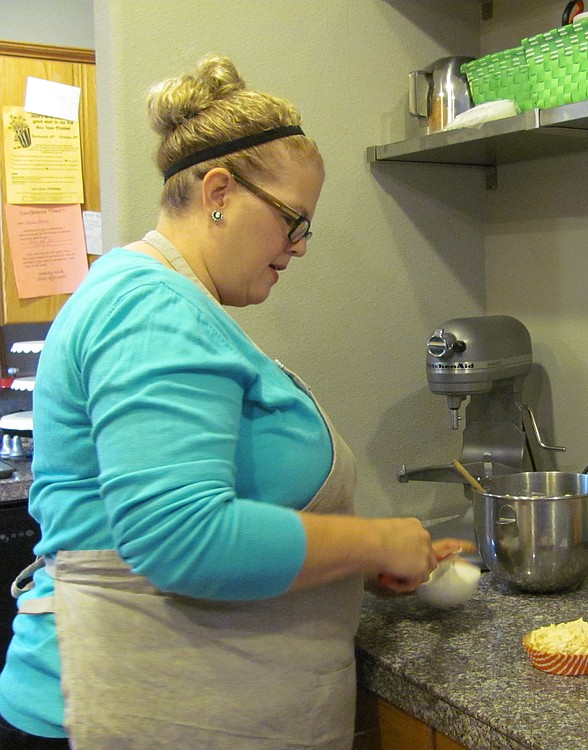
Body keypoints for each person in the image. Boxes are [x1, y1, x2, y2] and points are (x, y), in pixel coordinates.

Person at [0, 54, 470, 750]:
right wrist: (376, 537)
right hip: (106, 709)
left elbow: (217, 511)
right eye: (293, 221)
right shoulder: (149, 308)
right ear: (219, 190)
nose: (300, 248)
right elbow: (180, 536)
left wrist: (356, 565)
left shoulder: (175, 305)